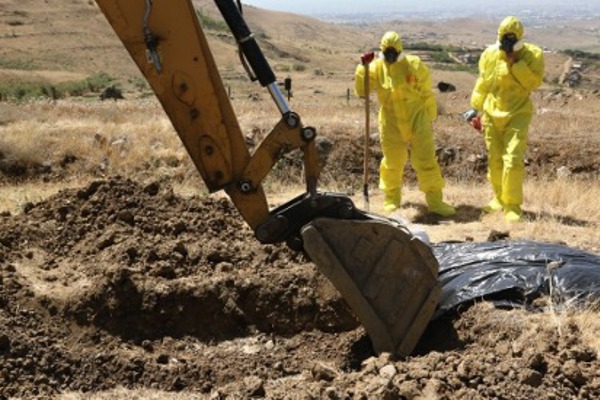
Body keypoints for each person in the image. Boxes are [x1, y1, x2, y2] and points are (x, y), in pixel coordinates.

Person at [354, 31, 455, 217]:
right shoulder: (375, 67)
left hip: (417, 118)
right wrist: (363, 68)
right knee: (392, 161)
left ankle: (435, 202)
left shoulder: (414, 65)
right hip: (390, 121)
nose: (391, 56)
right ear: (382, 50)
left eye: (394, 51)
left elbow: (426, 92)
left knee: (426, 160)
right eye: (387, 51)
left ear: (400, 49)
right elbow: (363, 91)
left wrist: (431, 116)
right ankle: (392, 198)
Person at [464, 16, 544, 223]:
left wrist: (515, 63)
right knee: (495, 159)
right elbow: (483, 83)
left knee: (513, 160)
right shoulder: (490, 54)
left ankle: (512, 205)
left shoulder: (533, 55)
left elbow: (532, 83)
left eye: (512, 39)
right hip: (492, 114)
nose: (507, 44)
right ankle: (499, 198)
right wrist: (475, 109)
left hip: (518, 113)